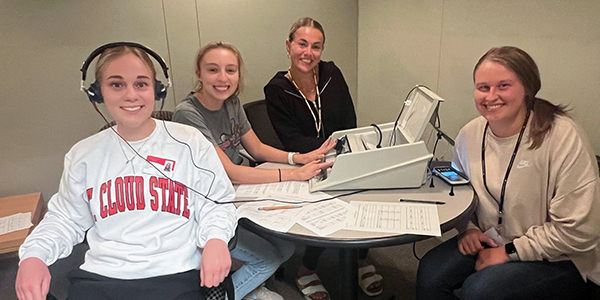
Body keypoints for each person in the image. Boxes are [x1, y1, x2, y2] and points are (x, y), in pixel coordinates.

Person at [15, 43, 237, 300]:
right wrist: (33, 256)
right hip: (102, 279)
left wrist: (216, 240)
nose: (131, 95)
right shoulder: (83, 155)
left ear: (157, 89)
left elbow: (218, 204)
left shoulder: (190, 143)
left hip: (176, 275)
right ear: (97, 93)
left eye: (141, 84)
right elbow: (65, 219)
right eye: (117, 84)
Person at [416, 46, 600, 300]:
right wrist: (467, 228)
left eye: (503, 86)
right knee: (430, 272)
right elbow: (459, 192)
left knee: (481, 291)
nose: (491, 96)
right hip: (492, 238)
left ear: (527, 88)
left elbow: (578, 232)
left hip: (560, 256)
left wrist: (510, 251)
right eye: (483, 87)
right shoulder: (469, 134)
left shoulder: (563, 136)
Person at [172, 41, 333, 300]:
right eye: (213, 70)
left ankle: (246, 284)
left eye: (230, 70)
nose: (223, 78)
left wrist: (298, 158)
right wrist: (294, 174)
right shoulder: (188, 114)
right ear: (199, 74)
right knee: (269, 260)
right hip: (206, 207)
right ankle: (225, 294)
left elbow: (257, 149)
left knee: (287, 243)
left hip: (235, 195)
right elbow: (231, 172)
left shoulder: (231, 102)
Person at [264, 18, 382, 300]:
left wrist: (346, 151)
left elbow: (349, 119)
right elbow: (290, 139)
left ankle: (360, 258)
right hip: (304, 161)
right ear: (288, 45)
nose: (308, 52)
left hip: (340, 153)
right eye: (302, 44)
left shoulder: (331, 74)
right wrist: (329, 151)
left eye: (316, 46)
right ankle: (306, 268)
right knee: (329, 200)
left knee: (367, 188)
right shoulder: (277, 89)